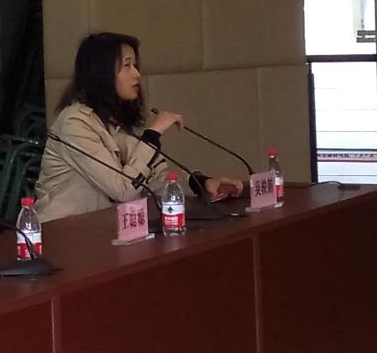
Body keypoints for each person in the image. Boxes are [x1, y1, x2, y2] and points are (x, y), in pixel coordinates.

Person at [32, 32, 243, 223]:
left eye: (135, 65)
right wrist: (152, 135)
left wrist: (202, 184)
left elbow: (153, 180)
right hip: (62, 236)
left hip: (100, 232)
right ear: (102, 73)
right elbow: (123, 190)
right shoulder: (74, 123)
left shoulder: (112, 121)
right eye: (127, 65)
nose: (137, 74)